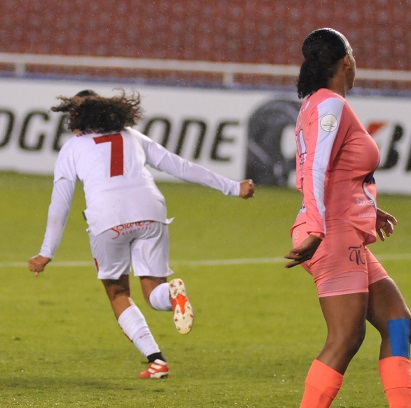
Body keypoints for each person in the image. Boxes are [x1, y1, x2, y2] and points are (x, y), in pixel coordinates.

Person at [277, 28, 411, 408]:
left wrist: (368, 210)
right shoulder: (331, 105)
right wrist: (319, 229)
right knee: (346, 335)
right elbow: (316, 170)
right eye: (354, 55)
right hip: (331, 234)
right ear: (345, 62)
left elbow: (337, 171)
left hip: (344, 229)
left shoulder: (317, 105)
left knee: (399, 323)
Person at [28, 89, 255, 379]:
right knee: (153, 292)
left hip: (108, 218)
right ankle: (168, 312)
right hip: (150, 210)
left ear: (78, 118)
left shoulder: (73, 148)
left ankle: (156, 358)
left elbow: (60, 203)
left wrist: (47, 251)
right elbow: (179, 166)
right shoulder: (132, 136)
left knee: (119, 292)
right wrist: (233, 187)